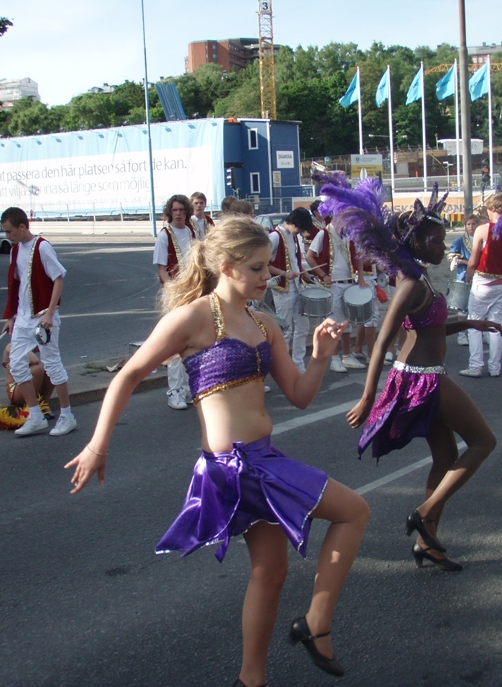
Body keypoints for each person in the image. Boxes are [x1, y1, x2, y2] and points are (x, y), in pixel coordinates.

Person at [65, 217, 370, 687]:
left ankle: (251, 679)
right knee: (354, 510)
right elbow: (127, 375)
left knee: (271, 572)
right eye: (257, 268)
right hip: (235, 468)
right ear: (226, 266)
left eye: (268, 267)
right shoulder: (192, 318)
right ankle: (315, 625)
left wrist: (321, 356)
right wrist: (97, 443)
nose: (268, 277)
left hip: (263, 459)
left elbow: (299, 395)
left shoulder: (264, 322)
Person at [331, 180, 499, 572]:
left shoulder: (418, 278)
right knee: (483, 442)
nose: (444, 247)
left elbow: (430, 328)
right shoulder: (409, 283)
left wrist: (471, 322)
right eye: (438, 241)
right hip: (423, 377)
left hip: (421, 373)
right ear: (418, 242)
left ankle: (428, 544)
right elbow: (384, 338)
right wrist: (368, 395)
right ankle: (424, 513)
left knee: (446, 454)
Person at [0, 207, 77, 437]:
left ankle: (67, 415)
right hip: (23, 319)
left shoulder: (42, 247)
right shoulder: (14, 250)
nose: (7, 235)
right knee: (16, 364)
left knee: (52, 364)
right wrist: (11, 316)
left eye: (9, 231)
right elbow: (18, 285)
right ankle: (35, 416)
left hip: (43, 317)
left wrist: (50, 313)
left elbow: (58, 279)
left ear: (22, 227)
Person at [305, 187, 366, 373]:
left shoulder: (349, 235)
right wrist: (323, 275)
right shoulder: (324, 233)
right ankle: (334, 358)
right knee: (334, 322)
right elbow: (309, 256)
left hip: (349, 282)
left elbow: (358, 257)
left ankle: (347, 356)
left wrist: (361, 276)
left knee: (348, 322)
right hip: (333, 285)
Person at [460, 194, 502, 378]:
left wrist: (467, 279)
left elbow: (473, 261)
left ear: (491, 210)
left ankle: (475, 365)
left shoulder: (483, 229)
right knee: (496, 324)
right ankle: (495, 367)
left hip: (482, 282)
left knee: (475, 323)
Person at [154, 194, 198, 410]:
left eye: (182, 210)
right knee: (173, 345)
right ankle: (174, 391)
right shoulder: (164, 236)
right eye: (175, 210)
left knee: (192, 344)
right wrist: (174, 293)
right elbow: (162, 270)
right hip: (174, 295)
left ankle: (188, 389)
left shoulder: (191, 232)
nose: (179, 214)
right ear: (170, 212)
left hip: (192, 293)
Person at [268, 207, 314, 372]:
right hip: (282, 289)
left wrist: (304, 273)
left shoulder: (293, 236)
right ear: (293, 223)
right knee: (286, 330)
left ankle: (298, 365)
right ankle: (284, 368)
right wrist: (283, 273)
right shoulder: (274, 237)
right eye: (300, 228)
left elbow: (294, 260)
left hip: (297, 286)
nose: (301, 232)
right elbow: (264, 263)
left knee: (303, 327)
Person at [448, 213, 479, 346]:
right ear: (465, 225)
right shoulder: (459, 241)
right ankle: (462, 334)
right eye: (468, 224)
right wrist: (465, 262)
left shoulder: (482, 239)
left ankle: (479, 332)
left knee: (478, 306)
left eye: (473, 224)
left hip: (479, 276)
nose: (471, 226)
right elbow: (453, 258)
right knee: (463, 307)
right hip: (464, 275)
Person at [2, 343, 54, 413]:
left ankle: (44, 404)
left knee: (51, 367)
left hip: (29, 382)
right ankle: (32, 407)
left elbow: (49, 347)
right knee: (37, 369)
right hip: (15, 388)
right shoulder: (11, 346)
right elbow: (34, 360)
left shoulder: (25, 343)